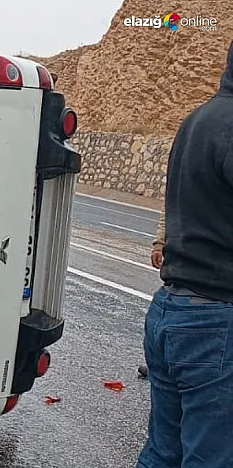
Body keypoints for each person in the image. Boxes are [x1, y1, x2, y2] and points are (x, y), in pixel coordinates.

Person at [137, 39, 233, 468]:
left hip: (172, 311)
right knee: (209, 457)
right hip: (216, 320)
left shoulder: (200, 119)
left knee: (164, 450)